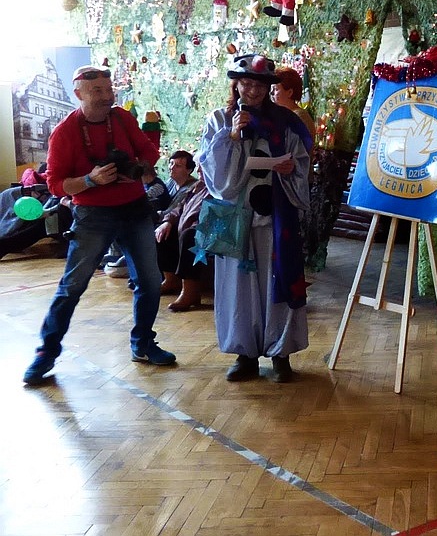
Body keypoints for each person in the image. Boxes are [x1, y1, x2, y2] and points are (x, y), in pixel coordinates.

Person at [23, 64, 176, 386]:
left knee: (150, 282)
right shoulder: (65, 132)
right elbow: (55, 185)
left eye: (109, 90)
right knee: (73, 286)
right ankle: (46, 353)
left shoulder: (122, 118)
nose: (107, 97)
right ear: (78, 94)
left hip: (134, 209)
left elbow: (147, 150)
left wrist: (139, 167)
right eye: (98, 91)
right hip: (93, 214)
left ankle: (143, 344)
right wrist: (91, 180)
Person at [197, 53, 312, 383]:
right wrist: (231, 137)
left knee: (277, 280)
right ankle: (244, 354)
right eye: (246, 83)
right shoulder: (220, 119)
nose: (253, 91)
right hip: (236, 218)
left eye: (260, 85)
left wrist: (291, 169)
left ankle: (281, 353)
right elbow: (215, 175)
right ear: (236, 84)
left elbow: (300, 161)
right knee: (239, 287)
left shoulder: (286, 121)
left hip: (275, 218)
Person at [154, 169, 208, 311]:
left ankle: (190, 291)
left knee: (189, 237)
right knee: (163, 231)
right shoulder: (196, 187)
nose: (198, 171)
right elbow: (178, 208)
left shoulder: (216, 189)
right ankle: (170, 280)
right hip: (185, 228)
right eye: (198, 167)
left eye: (203, 167)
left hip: (205, 231)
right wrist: (168, 221)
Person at [271, 65, 316, 138]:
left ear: (289, 92)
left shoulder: (299, 116)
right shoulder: (284, 114)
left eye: (276, 89)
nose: (272, 93)